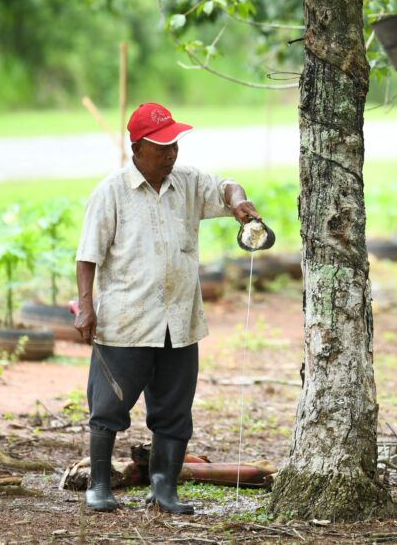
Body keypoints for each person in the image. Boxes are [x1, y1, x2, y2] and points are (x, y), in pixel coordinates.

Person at [73, 102, 260, 513]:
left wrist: (238, 201)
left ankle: (164, 489)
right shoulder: (111, 193)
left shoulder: (187, 183)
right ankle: (99, 486)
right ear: (137, 148)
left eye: (174, 144)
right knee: (108, 406)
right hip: (128, 321)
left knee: (174, 410)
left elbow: (225, 186)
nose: (171, 153)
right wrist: (86, 307)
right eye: (161, 147)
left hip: (180, 321)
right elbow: (87, 255)